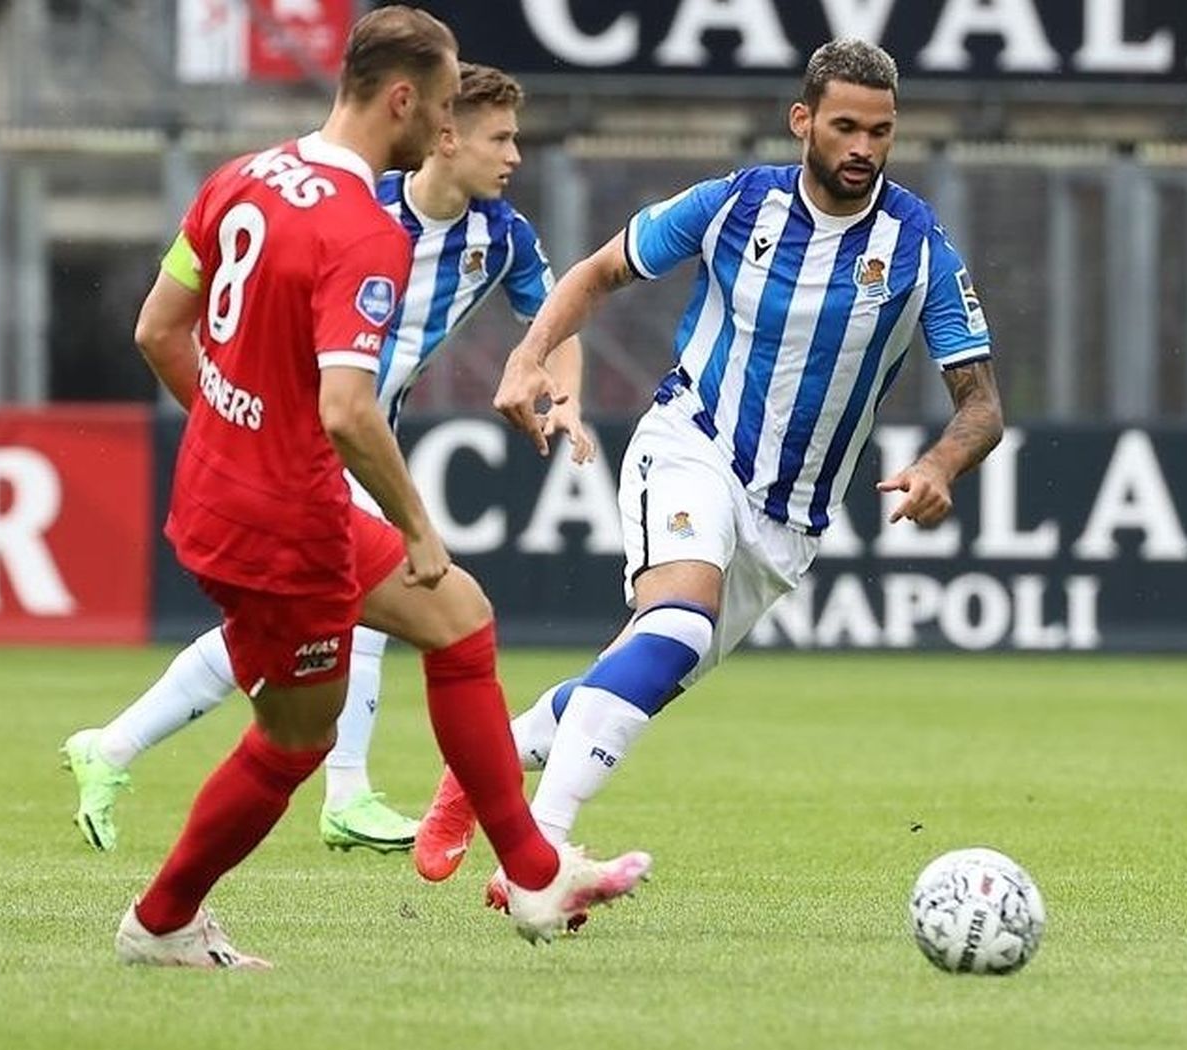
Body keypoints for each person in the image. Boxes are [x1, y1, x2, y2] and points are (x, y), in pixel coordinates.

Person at [111, 7, 646, 969]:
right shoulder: (363, 230)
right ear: (401, 99)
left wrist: (236, 435)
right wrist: (415, 524)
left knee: (447, 629)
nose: (445, 127)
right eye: (441, 108)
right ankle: (160, 921)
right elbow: (350, 411)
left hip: (221, 493)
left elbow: (158, 330)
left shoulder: (243, 176)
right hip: (286, 524)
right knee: (304, 730)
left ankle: (530, 870)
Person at [410, 39, 1005, 896]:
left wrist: (942, 466)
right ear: (802, 121)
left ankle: (484, 765)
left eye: (880, 131)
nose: (863, 148)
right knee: (680, 625)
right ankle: (539, 856)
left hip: (788, 521)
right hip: (690, 443)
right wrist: (530, 355)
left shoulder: (917, 249)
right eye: (844, 126)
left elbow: (980, 404)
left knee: (648, 669)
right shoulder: (736, 204)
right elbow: (602, 270)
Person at [58, 61, 590, 858]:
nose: (516, 155)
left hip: (360, 433)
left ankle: (114, 746)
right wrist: (235, 418)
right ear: (444, 136)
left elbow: (558, 320)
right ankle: (347, 794)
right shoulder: (359, 208)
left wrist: (563, 391)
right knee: (388, 595)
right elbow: (183, 323)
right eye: (501, 137)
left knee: (287, 632)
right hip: (307, 432)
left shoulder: (502, 237)